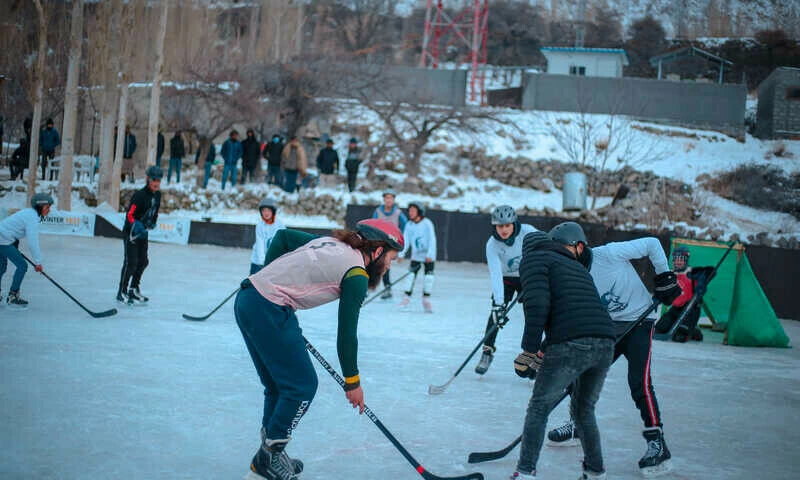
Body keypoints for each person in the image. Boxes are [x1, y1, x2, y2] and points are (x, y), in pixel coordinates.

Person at [235, 219, 404, 480]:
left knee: (279, 386)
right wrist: (353, 382)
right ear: (378, 251)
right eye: (391, 259)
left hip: (248, 299)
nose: (389, 266)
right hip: (267, 309)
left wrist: (267, 278)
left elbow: (282, 237)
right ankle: (270, 455)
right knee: (301, 386)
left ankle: (270, 455)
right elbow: (346, 334)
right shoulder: (357, 273)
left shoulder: (331, 242)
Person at [544, 225, 682, 478]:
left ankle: (657, 442)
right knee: (582, 375)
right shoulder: (570, 274)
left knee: (638, 382)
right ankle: (577, 425)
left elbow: (652, 243)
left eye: (563, 251)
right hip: (607, 326)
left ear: (580, 247)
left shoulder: (609, 254)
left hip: (640, 321)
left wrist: (664, 276)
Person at [510, 223, 616, 480]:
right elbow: (571, 313)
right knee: (584, 410)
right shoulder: (576, 267)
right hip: (605, 342)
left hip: (572, 342)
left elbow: (537, 305)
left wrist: (529, 350)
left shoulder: (534, 259)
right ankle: (595, 471)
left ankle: (525, 472)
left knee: (538, 407)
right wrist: (543, 350)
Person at [474, 205, 539, 375]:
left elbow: (545, 248)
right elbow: (495, 274)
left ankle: (535, 356)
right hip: (507, 279)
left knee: (535, 315)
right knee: (495, 313)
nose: (504, 230)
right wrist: (499, 303)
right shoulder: (492, 245)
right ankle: (487, 351)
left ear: (513, 223)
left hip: (528, 276)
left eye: (507, 225)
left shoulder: (528, 231)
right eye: (500, 226)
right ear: (495, 226)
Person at [117, 166, 162, 306]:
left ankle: (133, 289)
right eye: (154, 180)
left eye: (159, 180)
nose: (156, 183)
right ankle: (121, 292)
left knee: (143, 262)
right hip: (131, 233)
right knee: (131, 263)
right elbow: (129, 214)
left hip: (143, 233)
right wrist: (135, 225)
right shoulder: (140, 195)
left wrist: (152, 222)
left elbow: (155, 212)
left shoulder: (157, 195)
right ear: (148, 179)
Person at [0, 193, 53, 308]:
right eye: (47, 207)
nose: (49, 210)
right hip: (3, 239)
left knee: (1, 266)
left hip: (4, 237)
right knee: (22, 266)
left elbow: (12, 228)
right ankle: (13, 295)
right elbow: (33, 241)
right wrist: (38, 262)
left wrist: (14, 243)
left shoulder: (30, 214)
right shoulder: (32, 217)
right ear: (39, 206)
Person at [655, 246, 709, 343]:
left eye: (682, 259)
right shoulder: (671, 274)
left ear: (686, 260)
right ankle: (684, 327)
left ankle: (693, 331)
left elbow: (704, 277)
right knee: (658, 330)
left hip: (690, 310)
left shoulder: (692, 273)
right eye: (676, 259)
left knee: (679, 337)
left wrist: (701, 285)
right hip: (675, 309)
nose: (679, 262)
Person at [398, 201, 436, 313]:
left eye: (413, 211)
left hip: (428, 256)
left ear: (419, 212)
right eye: (409, 211)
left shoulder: (427, 223)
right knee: (410, 276)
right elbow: (406, 240)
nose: (410, 213)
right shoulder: (409, 225)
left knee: (429, 278)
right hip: (416, 256)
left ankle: (426, 300)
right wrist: (401, 254)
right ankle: (406, 299)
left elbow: (432, 239)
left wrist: (430, 254)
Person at [371, 189, 408, 300]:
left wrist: (398, 237)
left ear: (393, 200)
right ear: (384, 199)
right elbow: (373, 225)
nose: (388, 200)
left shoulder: (398, 213)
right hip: (379, 242)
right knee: (372, 263)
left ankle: (387, 288)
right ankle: (369, 286)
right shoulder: (378, 212)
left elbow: (405, 226)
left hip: (390, 244)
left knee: (384, 263)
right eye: (386, 197)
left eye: (390, 198)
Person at [250, 198, 286, 275]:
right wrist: (262, 262)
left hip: (274, 261)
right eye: (263, 210)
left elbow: (282, 244)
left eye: (268, 210)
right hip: (258, 261)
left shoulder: (279, 225)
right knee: (253, 283)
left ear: (273, 211)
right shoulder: (260, 225)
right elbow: (260, 244)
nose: (266, 213)